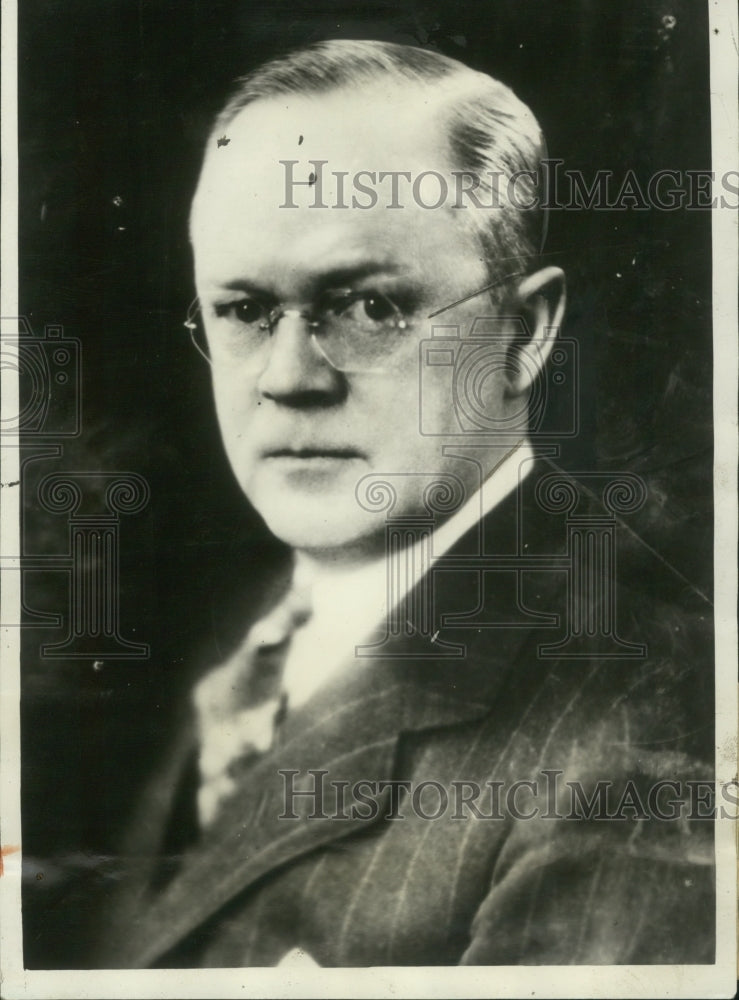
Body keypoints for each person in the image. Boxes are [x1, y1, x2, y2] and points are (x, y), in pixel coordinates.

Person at [92, 39, 714, 968]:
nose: (290, 378)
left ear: (525, 333)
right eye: (243, 310)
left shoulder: (636, 733)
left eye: (370, 308)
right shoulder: (262, 633)